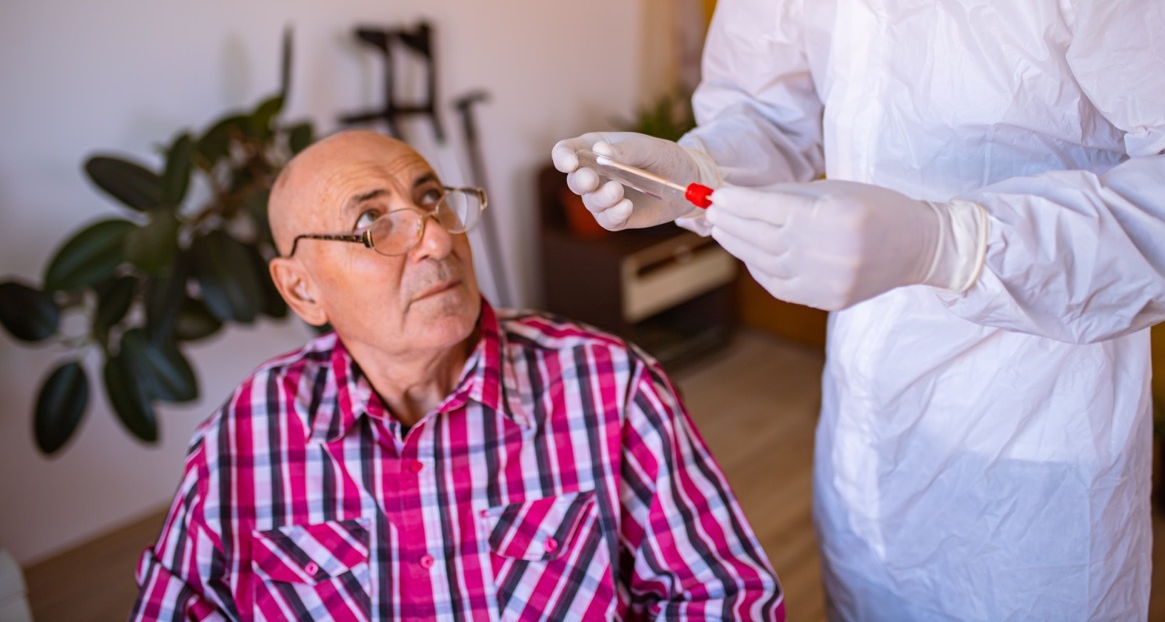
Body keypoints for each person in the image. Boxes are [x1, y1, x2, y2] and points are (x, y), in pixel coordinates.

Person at [553, 0, 1165, 619]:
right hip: (867, 406)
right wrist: (699, 170)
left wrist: (952, 245)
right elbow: (769, 105)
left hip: (1036, 428)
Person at [131, 130, 784, 620]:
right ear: (302, 290)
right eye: (371, 222)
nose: (439, 242)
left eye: (434, 201)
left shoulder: (612, 387)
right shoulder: (247, 436)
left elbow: (727, 600)